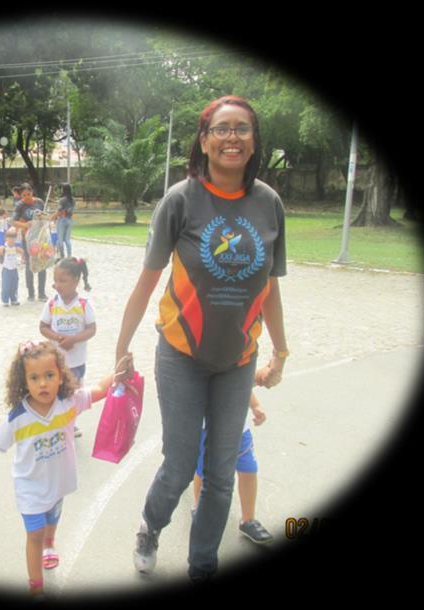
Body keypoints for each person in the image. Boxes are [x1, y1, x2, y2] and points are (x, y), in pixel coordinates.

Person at [114, 95, 289, 582]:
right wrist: (121, 348)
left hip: (238, 360)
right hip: (182, 354)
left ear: (255, 141)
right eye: (222, 129)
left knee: (221, 472)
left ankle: (203, 564)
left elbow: (270, 288)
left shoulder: (269, 203)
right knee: (180, 460)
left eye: (243, 129)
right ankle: (151, 526)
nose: (232, 137)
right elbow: (147, 282)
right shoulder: (181, 199)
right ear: (205, 139)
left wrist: (281, 350)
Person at [0, 342, 132, 598]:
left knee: (52, 520)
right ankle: (35, 586)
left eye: (49, 376)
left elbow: (98, 390)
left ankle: (51, 543)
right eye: (34, 377)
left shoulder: (69, 402)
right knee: (35, 533)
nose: (43, 383)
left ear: (61, 376)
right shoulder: (19, 416)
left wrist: (118, 374)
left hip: (58, 482)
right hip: (29, 486)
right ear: (24, 381)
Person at [192, 390, 273, 545]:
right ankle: (198, 509)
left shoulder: (238, 366)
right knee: (204, 471)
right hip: (207, 428)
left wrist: (255, 406)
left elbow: (244, 383)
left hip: (239, 429)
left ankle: (248, 520)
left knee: (249, 469)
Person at [39, 257, 95, 438]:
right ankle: (57, 422)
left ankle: (71, 422)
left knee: (74, 394)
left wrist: (75, 339)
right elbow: (43, 326)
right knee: (56, 391)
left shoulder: (84, 304)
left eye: (62, 280)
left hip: (77, 361)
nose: (57, 285)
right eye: (55, 280)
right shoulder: (52, 303)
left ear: (76, 281)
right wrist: (58, 337)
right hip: (56, 360)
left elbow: (91, 328)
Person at [13, 182, 47, 302]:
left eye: (29, 194)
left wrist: (43, 217)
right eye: (24, 195)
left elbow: (45, 216)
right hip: (27, 238)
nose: (27, 197)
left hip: (40, 237)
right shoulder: (19, 205)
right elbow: (14, 222)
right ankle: (31, 293)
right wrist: (25, 224)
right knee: (29, 264)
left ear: (32, 192)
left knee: (42, 263)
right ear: (21, 195)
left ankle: (42, 293)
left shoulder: (40, 202)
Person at [0, 228, 23, 307]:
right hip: (6, 269)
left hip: (14, 269)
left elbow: (23, 253)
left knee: (14, 285)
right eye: (9, 238)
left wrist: (21, 254)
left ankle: (14, 299)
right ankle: (5, 300)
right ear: (6, 238)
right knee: (5, 286)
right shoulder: (3, 247)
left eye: (13, 238)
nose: (11, 240)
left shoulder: (16, 247)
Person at [54, 183, 76, 259]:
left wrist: (53, 217)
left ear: (63, 190)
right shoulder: (73, 200)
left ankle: (61, 256)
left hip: (62, 220)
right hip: (70, 220)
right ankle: (69, 255)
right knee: (67, 239)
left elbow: (59, 211)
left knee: (60, 239)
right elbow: (72, 212)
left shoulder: (62, 200)